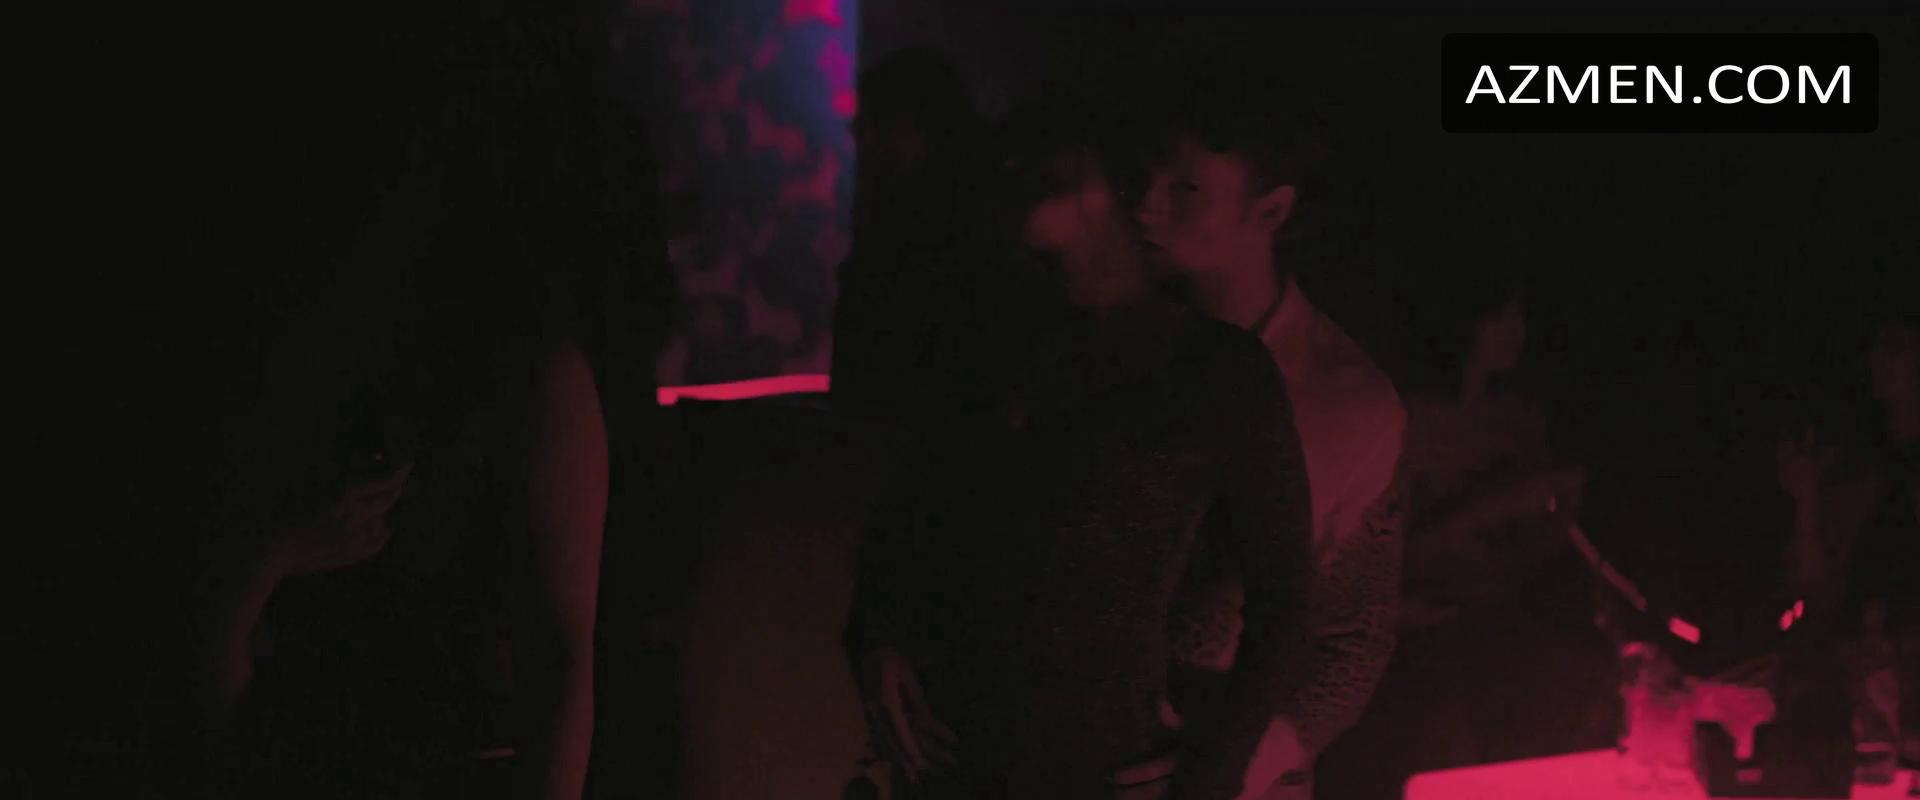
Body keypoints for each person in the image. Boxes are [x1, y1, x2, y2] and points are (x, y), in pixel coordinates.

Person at [168, 10, 669, 798]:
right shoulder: (296, 376)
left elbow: (562, 659)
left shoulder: (526, 372)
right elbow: (217, 700)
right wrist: (280, 553)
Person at [849, 90, 1316, 800]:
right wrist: (878, 632)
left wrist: (1210, 776)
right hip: (950, 761)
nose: (1024, 182)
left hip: (1106, 766)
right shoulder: (984, 344)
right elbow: (910, 504)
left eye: (1055, 170)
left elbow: (1285, 600)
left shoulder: (1212, 370)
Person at [1132, 74, 1405, 799]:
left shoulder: (1342, 398)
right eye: (1148, 177)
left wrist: (1238, 766)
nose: (1147, 204)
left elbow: (1355, 633)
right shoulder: (1120, 342)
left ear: (1272, 211)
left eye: (1186, 189)